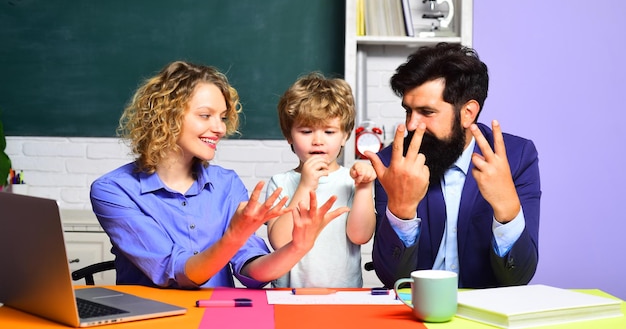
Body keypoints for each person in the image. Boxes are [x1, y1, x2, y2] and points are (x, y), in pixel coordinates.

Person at [90, 61, 348, 289]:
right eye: (206, 115)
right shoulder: (113, 190)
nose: (220, 128)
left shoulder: (227, 183)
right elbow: (175, 271)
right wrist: (235, 234)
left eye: (223, 117)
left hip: (217, 316)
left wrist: (298, 247)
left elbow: (251, 269)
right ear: (167, 117)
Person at [363, 43, 540, 289]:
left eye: (426, 112)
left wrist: (507, 209)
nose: (412, 125)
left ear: (468, 112)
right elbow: (391, 279)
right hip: (416, 313)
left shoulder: (518, 158)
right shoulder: (393, 164)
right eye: (408, 111)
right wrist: (401, 210)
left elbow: (518, 277)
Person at [266, 72, 376, 288]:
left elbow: (360, 236)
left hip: (343, 295)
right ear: (289, 135)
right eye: (306, 131)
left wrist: (364, 188)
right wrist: (306, 185)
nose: (318, 141)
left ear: (345, 135)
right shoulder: (280, 182)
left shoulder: (350, 180)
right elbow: (280, 241)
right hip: (289, 295)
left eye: (329, 131)